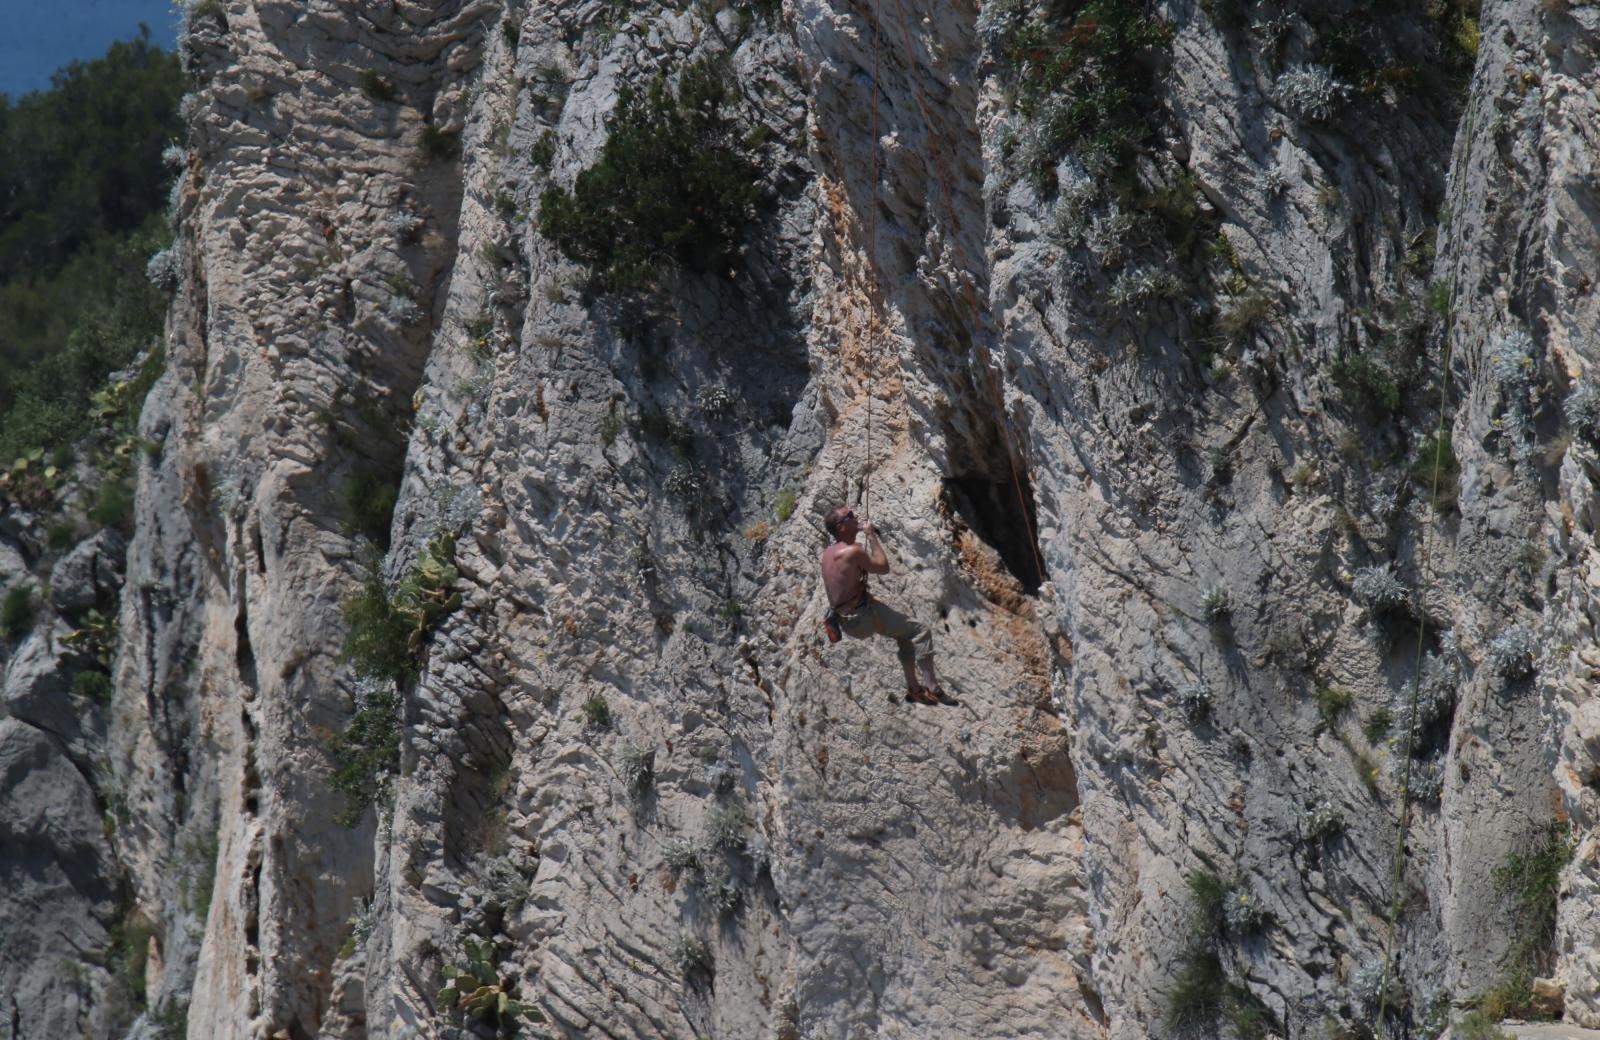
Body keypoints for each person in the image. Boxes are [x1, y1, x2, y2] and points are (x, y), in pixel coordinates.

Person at [820, 505, 951, 705]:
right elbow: (883, 567)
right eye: (850, 516)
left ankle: (915, 690)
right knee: (921, 630)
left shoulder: (828, 554)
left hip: (847, 621)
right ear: (841, 527)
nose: (856, 517)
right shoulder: (851, 552)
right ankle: (935, 688)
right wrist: (871, 535)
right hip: (864, 617)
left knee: (904, 636)